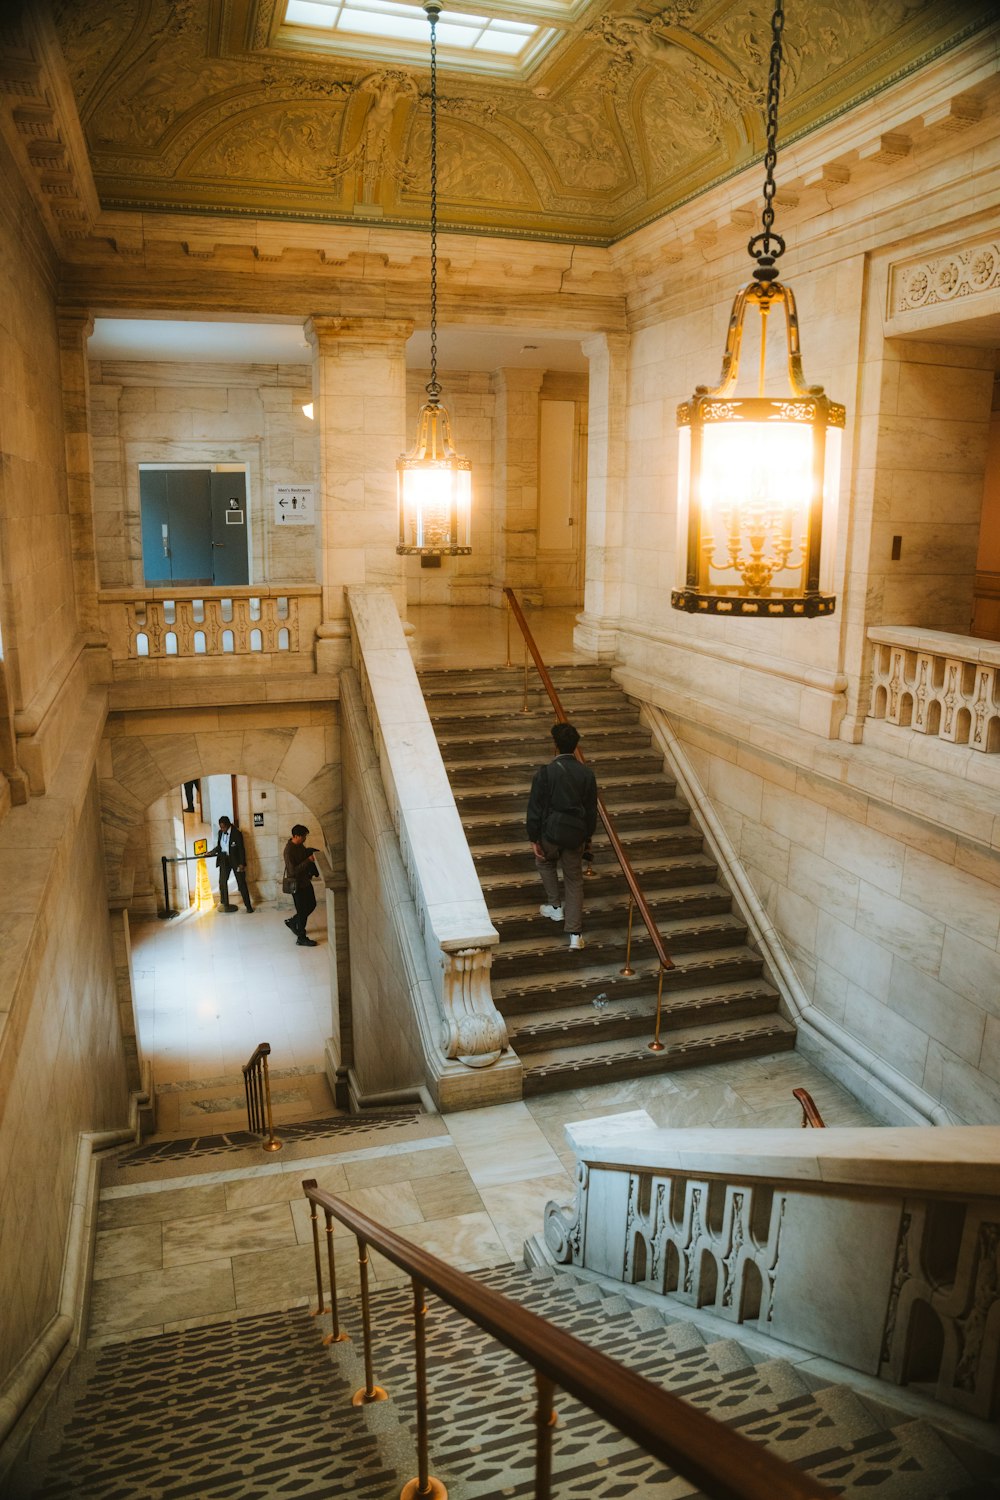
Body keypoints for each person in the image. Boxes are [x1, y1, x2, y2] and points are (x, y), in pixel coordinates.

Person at [526, 722, 598, 951]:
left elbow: (535, 808)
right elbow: (590, 809)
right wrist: (587, 837)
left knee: (544, 862)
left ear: (555, 745)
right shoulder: (587, 774)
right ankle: (575, 935)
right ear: (575, 747)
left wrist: (534, 837)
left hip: (551, 831)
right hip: (576, 833)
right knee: (574, 880)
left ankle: (555, 906)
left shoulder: (545, 773)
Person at [208, 815, 254, 913]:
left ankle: (248, 906)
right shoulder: (220, 832)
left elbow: (241, 849)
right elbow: (219, 846)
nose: (222, 829)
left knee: (241, 883)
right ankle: (224, 903)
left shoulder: (236, 833)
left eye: (223, 827)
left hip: (236, 861)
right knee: (222, 881)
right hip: (224, 859)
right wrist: (211, 852)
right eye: (221, 827)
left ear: (228, 825)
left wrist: (242, 864)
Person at [283, 824, 319, 946]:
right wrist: (308, 860)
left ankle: (293, 921)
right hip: (297, 886)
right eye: (303, 836)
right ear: (296, 836)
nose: (305, 839)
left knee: (312, 904)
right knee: (302, 911)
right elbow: (292, 871)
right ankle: (301, 937)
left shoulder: (299, 845)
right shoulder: (289, 850)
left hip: (305, 882)